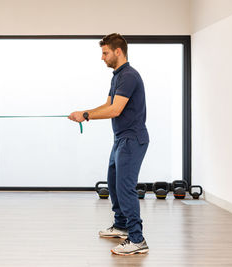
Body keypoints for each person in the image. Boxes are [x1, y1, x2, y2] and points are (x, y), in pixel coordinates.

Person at [68, 33, 149, 255]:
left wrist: (85, 114)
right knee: (113, 183)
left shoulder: (130, 76)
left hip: (132, 139)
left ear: (118, 51)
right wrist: (83, 113)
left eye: (105, 53)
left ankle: (137, 240)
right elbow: (108, 104)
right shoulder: (118, 76)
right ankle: (121, 225)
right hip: (121, 139)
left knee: (125, 188)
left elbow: (115, 110)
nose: (102, 57)